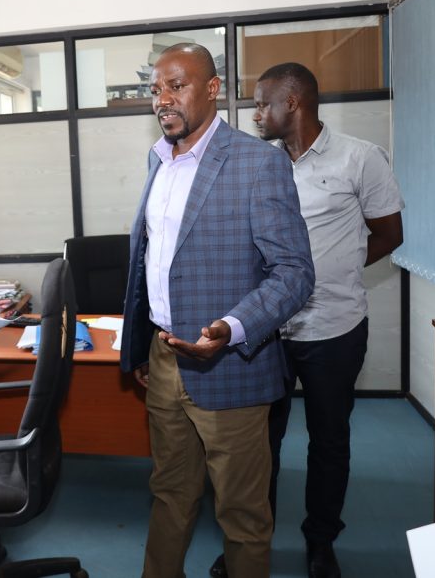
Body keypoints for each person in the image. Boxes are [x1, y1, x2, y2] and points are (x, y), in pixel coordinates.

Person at [121, 43, 315, 578]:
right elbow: (152, 263)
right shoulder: (157, 160)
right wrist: (142, 342)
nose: (163, 99)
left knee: (242, 511)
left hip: (230, 365)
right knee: (169, 492)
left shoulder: (259, 163)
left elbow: (295, 274)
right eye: (155, 89)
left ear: (213, 88)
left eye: (176, 85)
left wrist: (231, 329)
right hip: (164, 360)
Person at [209, 62, 404, 578]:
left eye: (261, 103)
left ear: (292, 102)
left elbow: (389, 234)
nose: (254, 114)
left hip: (333, 329)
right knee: (260, 444)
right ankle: (252, 540)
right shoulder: (258, 164)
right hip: (270, 331)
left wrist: (333, 269)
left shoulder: (360, 158)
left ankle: (321, 541)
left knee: (328, 439)